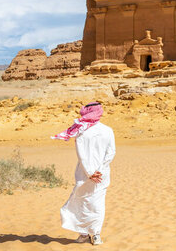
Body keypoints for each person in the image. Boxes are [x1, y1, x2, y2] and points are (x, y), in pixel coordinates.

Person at [52, 101, 116, 245]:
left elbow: (81, 155)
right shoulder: (108, 130)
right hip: (102, 174)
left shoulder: (81, 130)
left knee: (82, 202)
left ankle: (84, 234)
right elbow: (111, 153)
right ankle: (96, 235)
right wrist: (99, 170)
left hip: (84, 173)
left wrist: (89, 172)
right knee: (97, 203)